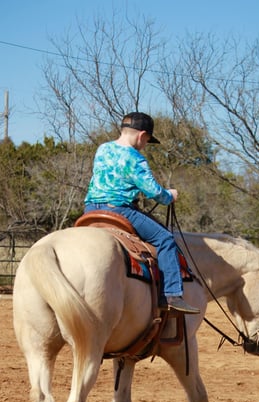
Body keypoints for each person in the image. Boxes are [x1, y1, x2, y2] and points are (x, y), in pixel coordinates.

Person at [84, 112, 200, 314]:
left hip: (90, 209)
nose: (145, 144)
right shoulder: (136, 159)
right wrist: (170, 195)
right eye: (147, 140)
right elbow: (155, 193)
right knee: (165, 239)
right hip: (119, 210)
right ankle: (172, 295)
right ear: (142, 135)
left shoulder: (103, 149)